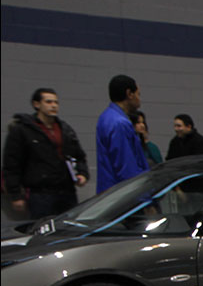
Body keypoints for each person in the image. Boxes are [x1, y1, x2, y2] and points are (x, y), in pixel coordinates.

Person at [3, 87, 89, 218]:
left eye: (56, 102)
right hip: (40, 193)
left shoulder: (65, 129)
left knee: (69, 228)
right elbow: (12, 164)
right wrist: (16, 195)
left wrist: (82, 173)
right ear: (36, 104)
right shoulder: (22, 130)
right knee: (42, 227)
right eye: (48, 102)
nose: (53, 106)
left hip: (66, 191)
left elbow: (79, 155)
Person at [95, 74, 147, 192]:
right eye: (138, 94)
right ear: (129, 94)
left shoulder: (105, 117)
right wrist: (145, 200)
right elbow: (127, 170)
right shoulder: (120, 124)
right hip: (121, 196)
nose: (139, 99)